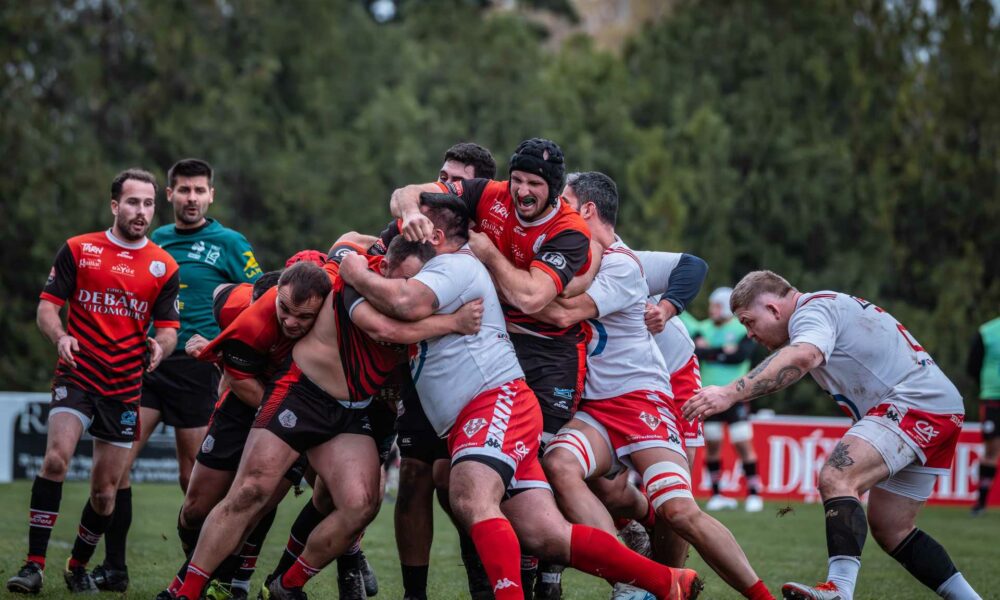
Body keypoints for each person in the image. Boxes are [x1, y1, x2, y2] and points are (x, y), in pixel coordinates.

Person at [339, 191, 704, 600]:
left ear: (437, 238)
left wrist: (352, 272)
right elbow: (356, 255)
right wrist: (347, 258)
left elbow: (403, 304)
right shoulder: (431, 264)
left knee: (468, 493)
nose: (389, 274)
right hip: (483, 411)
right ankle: (667, 581)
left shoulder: (453, 265)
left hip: (494, 402)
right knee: (545, 534)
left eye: (397, 269)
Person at [172, 239, 482, 600]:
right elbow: (383, 328)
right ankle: (184, 590)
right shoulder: (356, 284)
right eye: (284, 309)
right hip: (300, 396)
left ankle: (285, 585)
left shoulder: (420, 298)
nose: (406, 293)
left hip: (351, 412)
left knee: (360, 504)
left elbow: (356, 239)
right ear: (382, 268)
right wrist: (453, 322)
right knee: (249, 493)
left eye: (418, 283)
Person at [535, 172, 773, 600]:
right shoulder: (569, 252)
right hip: (601, 400)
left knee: (677, 511)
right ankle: (635, 574)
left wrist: (668, 306)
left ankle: (668, 579)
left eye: (563, 202)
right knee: (583, 476)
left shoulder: (626, 261)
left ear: (587, 210)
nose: (554, 210)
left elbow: (693, 265)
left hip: (665, 380)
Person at [683, 270, 982, 600]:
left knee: (836, 476)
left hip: (914, 403)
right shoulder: (825, 307)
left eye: (748, 321)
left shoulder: (812, 311)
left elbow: (802, 356)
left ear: (772, 308)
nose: (750, 334)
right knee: (891, 528)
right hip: (938, 404)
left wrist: (729, 393)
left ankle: (838, 590)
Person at [90, 158, 263, 592]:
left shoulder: (229, 242)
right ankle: (114, 569)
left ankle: (202, 571)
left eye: (199, 190)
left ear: (211, 195)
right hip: (146, 363)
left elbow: (260, 298)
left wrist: (229, 346)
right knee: (116, 469)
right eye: (183, 190)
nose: (191, 198)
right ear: (169, 196)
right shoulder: (155, 239)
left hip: (198, 369)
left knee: (194, 479)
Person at [7, 169, 180, 595]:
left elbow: (170, 328)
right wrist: (61, 335)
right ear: (114, 205)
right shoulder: (79, 249)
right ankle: (32, 566)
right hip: (79, 374)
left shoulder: (164, 265)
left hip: (124, 386)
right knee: (56, 460)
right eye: (133, 202)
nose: (141, 212)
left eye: (148, 204)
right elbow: (47, 308)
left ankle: (77, 563)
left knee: (105, 494)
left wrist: (160, 347)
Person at [394, 142, 497, 600]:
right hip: (421, 368)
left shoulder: (489, 234)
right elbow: (398, 200)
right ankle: (415, 593)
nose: (440, 185)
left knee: (459, 482)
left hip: (476, 375)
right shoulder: (419, 218)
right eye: (439, 175)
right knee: (416, 473)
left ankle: (488, 581)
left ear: (474, 189)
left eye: (452, 180)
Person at [688, 287, 762, 512]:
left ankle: (753, 493)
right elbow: (697, 352)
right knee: (712, 443)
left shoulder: (741, 328)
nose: (712, 310)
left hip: (736, 395)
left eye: (717, 305)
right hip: (709, 395)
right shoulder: (703, 327)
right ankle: (717, 494)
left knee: (741, 442)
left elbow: (740, 355)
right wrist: (723, 352)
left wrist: (712, 351)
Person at [968, 315, 1000, 515]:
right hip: (992, 399)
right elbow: (973, 366)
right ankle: (981, 502)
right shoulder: (987, 332)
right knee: (991, 450)